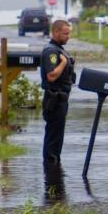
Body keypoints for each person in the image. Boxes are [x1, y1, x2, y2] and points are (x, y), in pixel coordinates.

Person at [40, 19, 76, 164]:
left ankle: (54, 169)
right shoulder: (51, 51)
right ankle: (50, 170)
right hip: (54, 99)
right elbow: (51, 76)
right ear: (55, 32)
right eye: (65, 33)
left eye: (69, 33)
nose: (68, 37)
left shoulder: (59, 50)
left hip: (61, 99)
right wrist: (63, 63)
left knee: (57, 137)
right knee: (53, 137)